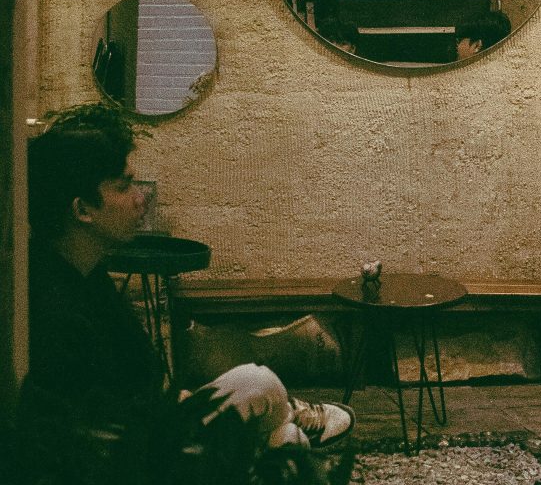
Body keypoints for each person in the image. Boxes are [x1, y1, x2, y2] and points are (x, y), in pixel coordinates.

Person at [21, 103, 354, 449]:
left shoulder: (89, 274)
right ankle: (285, 411)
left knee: (290, 439)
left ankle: (283, 420)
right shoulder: (54, 302)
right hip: (140, 453)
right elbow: (102, 421)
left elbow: (142, 384)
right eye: (124, 186)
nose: (141, 199)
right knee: (259, 382)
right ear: (82, 210)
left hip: (156, 426)